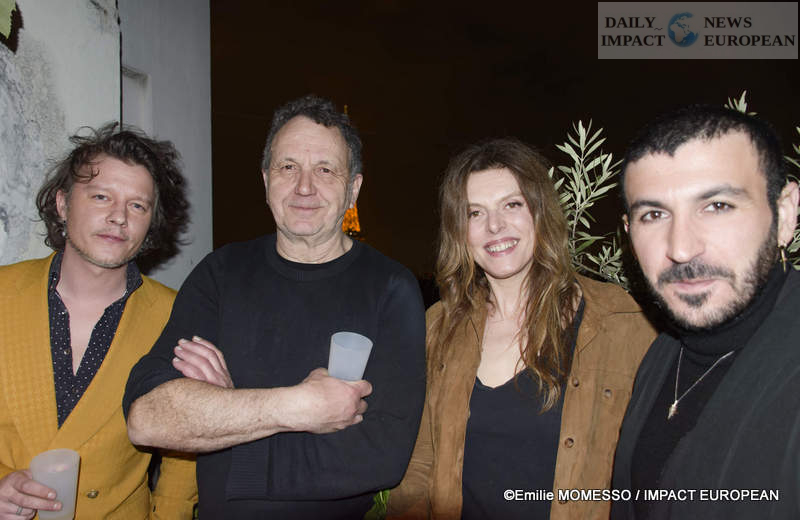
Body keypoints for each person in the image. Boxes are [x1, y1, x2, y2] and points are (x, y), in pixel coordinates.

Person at [123, 94, 426, 519]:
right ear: (266, 180)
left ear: (353, 189)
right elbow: (148, 417)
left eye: (325, 169)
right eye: (287, 167)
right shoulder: (221, 273)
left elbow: (383, 456)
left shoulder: (391, 287)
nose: (304, 186)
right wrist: (299, 406)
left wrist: (227, 420)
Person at [387, 138, 656, 520]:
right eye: (475, 213)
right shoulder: (439, 326)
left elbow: (655, 467)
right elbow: (419, 467)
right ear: (459, 231)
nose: (494, 226)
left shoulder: (620, 322)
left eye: (512, 205)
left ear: (540, 212)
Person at [611, 105, 800, 519]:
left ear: (784, 214)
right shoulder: (663, 353)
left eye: (717, 206)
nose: (681, 248)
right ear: (628, 234)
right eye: (654, 215)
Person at [0, 123, 196, 519]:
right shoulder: (3, 293)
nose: (118, 217)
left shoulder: (177, 316)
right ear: (62, 204)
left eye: (137, 206)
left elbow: (184, 450)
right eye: (101, 196)